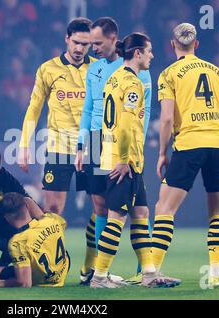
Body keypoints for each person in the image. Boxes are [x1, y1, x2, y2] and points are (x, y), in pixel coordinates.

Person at [90, 32, 180, 289]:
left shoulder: (114, 77)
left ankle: (149, 274)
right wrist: (125, 160)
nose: (152, 55)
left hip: (116, 156)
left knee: (140, 213)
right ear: (137, 53)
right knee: (116, 216)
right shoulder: (133, 83)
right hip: (124, 161)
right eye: (149, 51)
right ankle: (99, 277)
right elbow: (128, 124)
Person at [153, 23, 219, 287]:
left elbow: (166, 119)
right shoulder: (216, 71)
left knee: (164, 208)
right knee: (217, 212)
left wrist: (162, 153)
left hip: (189, 143)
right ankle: (214, 274)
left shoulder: (169, 73)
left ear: (172, 45)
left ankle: (152, 272)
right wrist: (212, 132)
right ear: (196, 44)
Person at [74, 17, 153, 286]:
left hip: (121, 144)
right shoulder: (94, 70)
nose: (92, 48)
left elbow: (143, 113)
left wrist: (134, 150)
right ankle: (99, 270)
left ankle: (144, 269)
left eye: (97, 43)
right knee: (101, 207)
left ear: (112, 39)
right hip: (97, 141)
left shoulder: (138, 70)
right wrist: (82, 145)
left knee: (135, 209)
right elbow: (87, 110)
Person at [17, 17, 95, 215]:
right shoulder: (48, 69)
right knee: (52, 209)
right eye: (76, 42)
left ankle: (95, 248)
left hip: (93, 146)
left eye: (85, 44)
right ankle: (55, 247)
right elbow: (34, 109)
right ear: (67, 39)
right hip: (59, 148)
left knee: (100, 208)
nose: (79, 48)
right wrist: (24, 144)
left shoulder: (98, 69)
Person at [0, 192, 70, 287]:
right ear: (27, 206)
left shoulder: (18, 242)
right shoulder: (52, 220)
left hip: (42, 281)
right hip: (61, 274)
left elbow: (25, 283)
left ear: (6, 217)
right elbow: (57, 222)